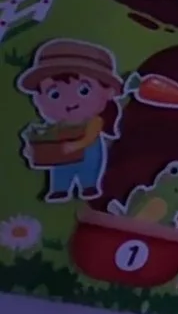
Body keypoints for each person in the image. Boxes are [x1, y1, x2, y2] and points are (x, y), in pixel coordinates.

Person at [15, 36, 123, 202]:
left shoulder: (94, 122)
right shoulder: (56, 126)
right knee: (61, 171)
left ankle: (88, 186)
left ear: (108, 92)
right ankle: (60, 189)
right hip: (62, 158)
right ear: (38, 99)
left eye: (84, 91)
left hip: (86, 154)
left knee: (89, 168)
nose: (70, 102)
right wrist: (33, 149)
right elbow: (44, 141)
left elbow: (89, 138)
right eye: (55, 94)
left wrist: (74, 145)